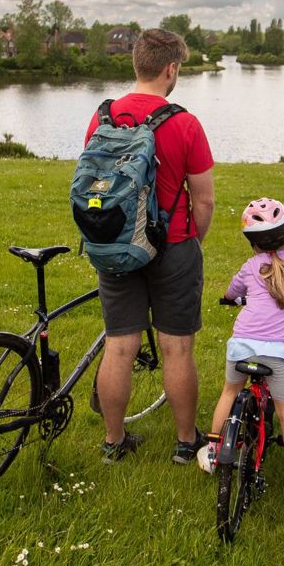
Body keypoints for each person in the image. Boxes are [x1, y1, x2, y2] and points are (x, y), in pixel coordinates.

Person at [83, 28, 215, 464]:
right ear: (171, 69)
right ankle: (184, 443)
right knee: (177, 347)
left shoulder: (102, 117)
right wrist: (191, 240)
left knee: (120, 345)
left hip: (116, 244)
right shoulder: (184, 122)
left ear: (136, 63)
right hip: (173, 244)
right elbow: (205, 199)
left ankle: (114, 442)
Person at [198, 198, 284, 501]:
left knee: (229, 394)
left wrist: (230, 299)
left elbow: (232, 292)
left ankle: (215, 451)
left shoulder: (249, 267)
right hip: (277, 356)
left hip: (241, 346)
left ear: (252, 243)